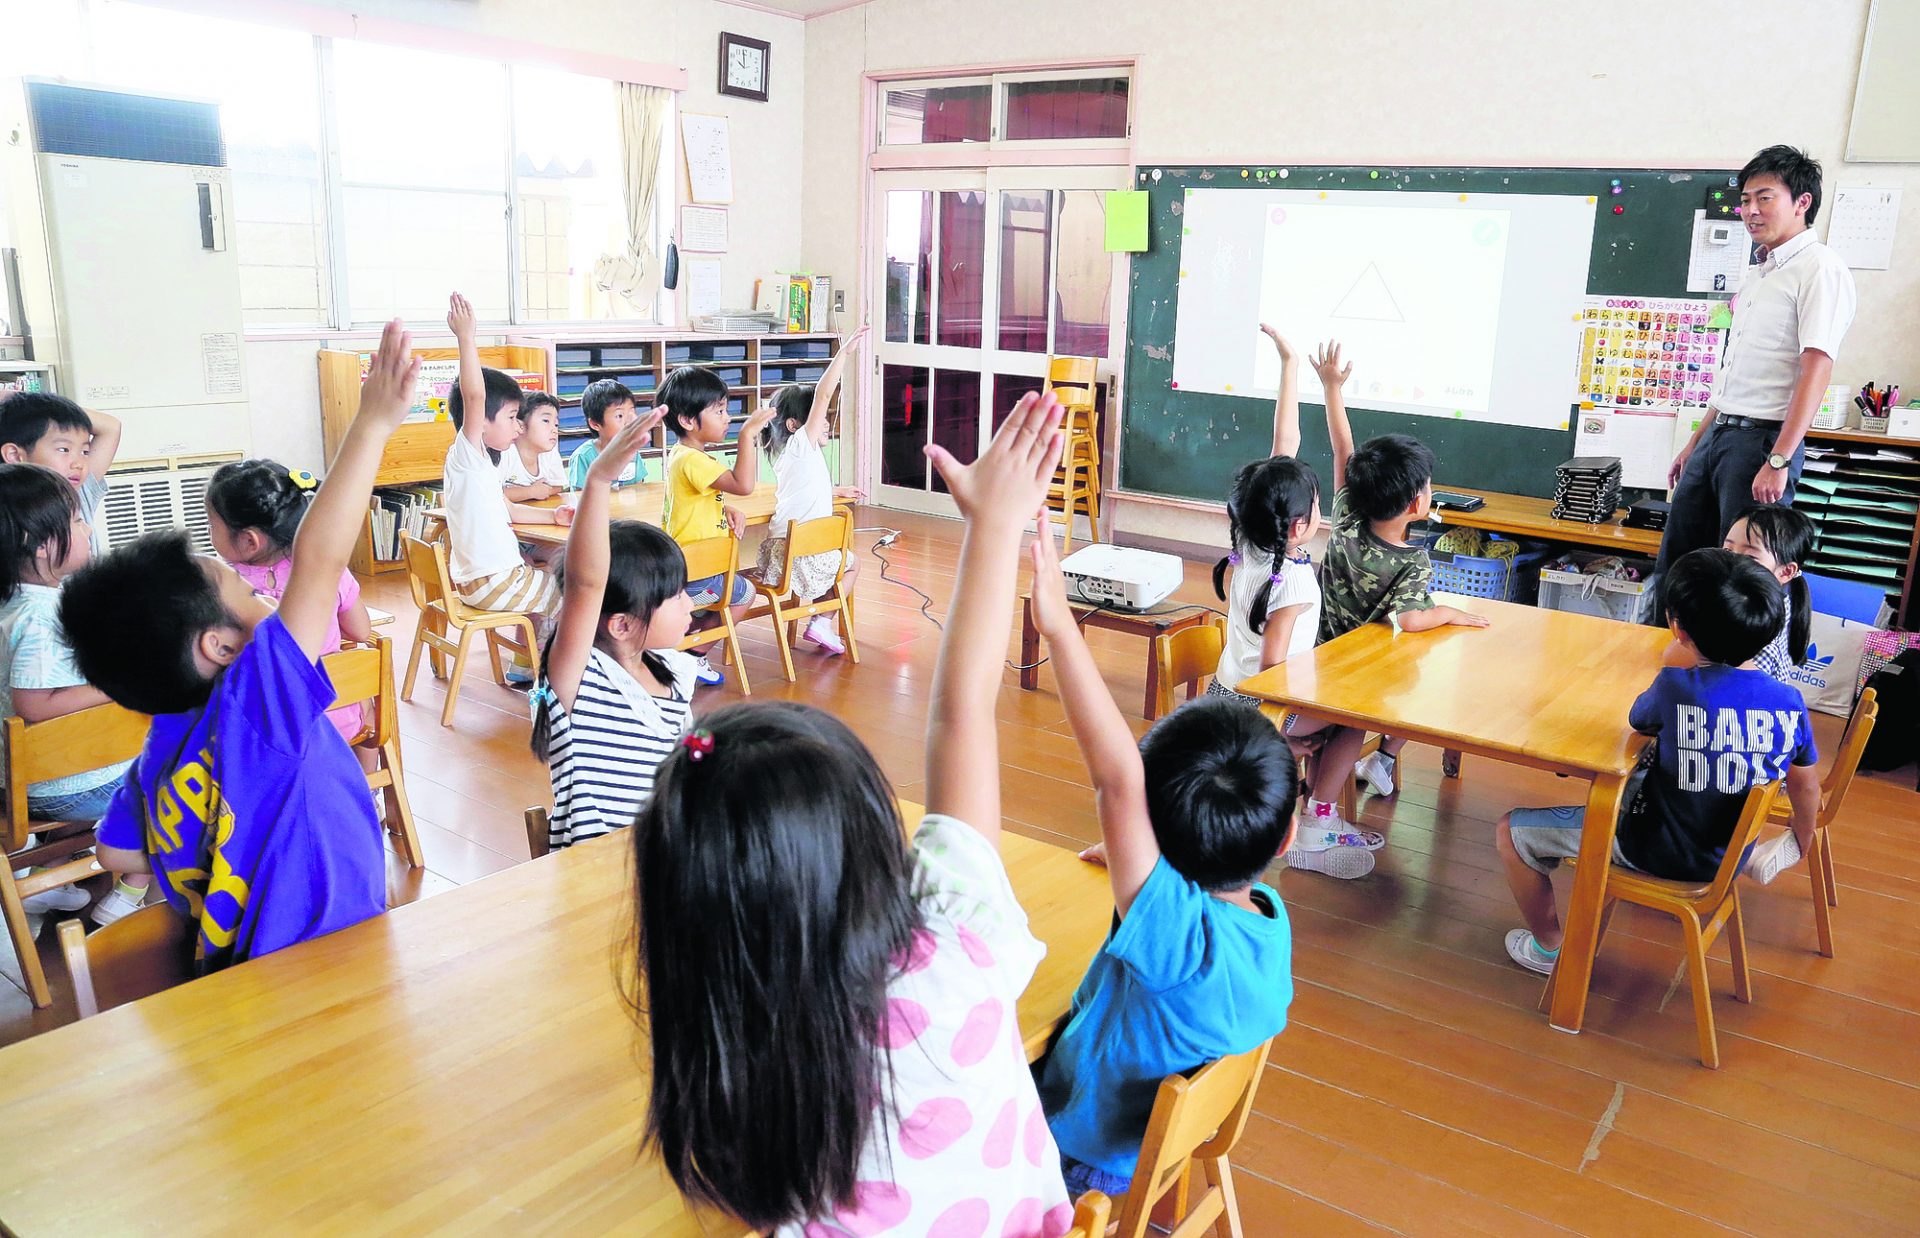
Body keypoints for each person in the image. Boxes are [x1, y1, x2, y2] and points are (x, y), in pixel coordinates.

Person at [629, 391, 1073, 1235]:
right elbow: (962, 718)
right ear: (874, 839)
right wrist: (995, 529)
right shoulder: (962, 947)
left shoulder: (739, 1087)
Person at [56, 320, 423, 969]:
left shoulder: (159, 752)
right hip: (329, 961)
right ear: (216, 646)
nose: (247, 591)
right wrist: (370, 425)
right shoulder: (261, 701)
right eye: (227, 585)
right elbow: (317, 560)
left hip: (230, 978)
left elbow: (115, 855)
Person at [1029, 506, 1293, 1201]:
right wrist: (1139, 870)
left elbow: (1118, 780)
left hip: (1079, 1153)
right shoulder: (1268, 920)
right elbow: (1135, 812)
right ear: (1286, 837)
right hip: (1161, 1135)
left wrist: (1058, 621)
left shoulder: (1179, 942)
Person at [1496, 549, 1822, 974]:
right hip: (1729, 855)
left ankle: (1551, 947)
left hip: (1653, 847)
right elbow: (1806, 784)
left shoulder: (1676, 686)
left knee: (1511, 832)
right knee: (1638, 778)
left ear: (1676, 627)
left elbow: (1638, 719)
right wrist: (1802, 836)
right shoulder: (1789, 701)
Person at [1280, 342, 1488, 877]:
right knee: (1359, 721)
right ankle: (1319, 818)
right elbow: (1413, 619)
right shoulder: (1412, 562)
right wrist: (1454, 615)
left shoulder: (1348, 517)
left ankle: (1310, 765)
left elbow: (1341, 447)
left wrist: (1331, 387)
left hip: (1315, 660)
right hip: (1347, 681)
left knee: (1353, 716)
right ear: (1418, 504)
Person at [1653, 146, 1856, 619]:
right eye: (1745, 200)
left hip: (1763, 440)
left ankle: (1729, 671)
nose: (1750, 211)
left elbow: (1817, 366)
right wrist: (1696, 442)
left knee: (1739, 574)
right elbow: (1735, 373)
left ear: (1802, 202)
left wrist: (1780, 457)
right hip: (1721, 432)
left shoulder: (1820, 268)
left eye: (1764, 198)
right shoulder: (1759, 272)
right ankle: (1664, 655)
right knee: (1679, 559)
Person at [530, 409, 701, 851]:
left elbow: (690, 760)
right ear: (621, 624)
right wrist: (599, 481)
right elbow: (587, 583)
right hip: (598, 873)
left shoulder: (673, 672)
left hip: (667, 860)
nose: (692, 603)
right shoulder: (580, 678)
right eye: (676, 595)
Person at [0, 464, 136, 927]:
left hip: (19, 780)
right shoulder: (40, 615)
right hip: (62, 787)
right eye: (78, 521)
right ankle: (130, 892)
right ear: (41, 545)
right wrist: (112, 687)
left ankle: (51, 874)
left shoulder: (15, 602)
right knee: (178, 769)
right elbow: (34, 704)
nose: (87, 528)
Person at [206, 459, 375, 750]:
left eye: (211, 524)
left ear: (249, 541)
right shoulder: (327, 568)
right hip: (338, 723)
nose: (209, 531)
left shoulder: (221, 584)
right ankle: (366, 787)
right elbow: (361, 632)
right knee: (367, 693)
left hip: (267, 735)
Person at [1209, 324, 1322, 702]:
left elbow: (1284, 446)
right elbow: (1271, 671)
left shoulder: (1252, 538)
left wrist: (1289, 365)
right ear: (1297, 524)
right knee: (1347, 720)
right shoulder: (1293, 581)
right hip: (1260, 710)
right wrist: (1281, 739)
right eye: (1316, 503)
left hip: (1224, 692)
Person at [444, 292, 567, 619]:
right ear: (481, 420)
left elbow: (508, 510)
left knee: (563, 579)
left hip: (486, 581)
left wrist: (554, 517)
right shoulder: (467, 454)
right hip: (496, 582)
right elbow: (474, 394)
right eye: (513, 417)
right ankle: (563, 665)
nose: (518, 427)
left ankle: (530, 659)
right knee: (585, 597)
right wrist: (466, 338)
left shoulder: (480, 464)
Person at [752, 326, 868, 656]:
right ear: (794, 425)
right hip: (801, 553)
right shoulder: (801, 444)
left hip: (782, 552)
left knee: (830, 559)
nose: (826, 422)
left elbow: (804, 490)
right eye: (819, 419)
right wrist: (843, 354)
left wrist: (834, 490)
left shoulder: (791, 455)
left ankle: (820, 621)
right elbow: (824, 394)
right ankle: (823, 620)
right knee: (852, 564)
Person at [659, 365, 776, 687]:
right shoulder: (693, 459)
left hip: (688, 569)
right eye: (719, 411)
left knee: (729, 590)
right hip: (694, 574)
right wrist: (747, 435)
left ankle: (684, 643)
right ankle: (693, 654)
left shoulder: (685, 455)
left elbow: (695, 501)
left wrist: (726, 508)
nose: (727, 417)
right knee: (744, 593)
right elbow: (744, 483)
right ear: (687, 420)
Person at [1665, 505, 1812, 684]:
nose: (1731, 562)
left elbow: (1673, 660)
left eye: (1750, 558)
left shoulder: (1753, 621)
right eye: (1727, 550)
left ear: (1786, 571)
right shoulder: (1778, 601)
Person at [0, 392, 123, 557]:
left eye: (85, 452)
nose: (78, 463)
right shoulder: (8, 510)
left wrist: (27, 400)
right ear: (15, 456)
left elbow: (111, 426)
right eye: (64, 449)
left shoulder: (78, 491)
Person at [564, 380, 642, 490]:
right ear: (595, 424)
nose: (629, 421)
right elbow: (579, 497)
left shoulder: (632, 450)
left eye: (631, 412)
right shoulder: (583, 456)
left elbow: (639, 490)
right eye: (619, 415)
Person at [499, 391, 568, 500]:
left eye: (556, 424)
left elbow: (558, 485)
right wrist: (530, 492)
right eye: (546, 421)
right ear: (520, 426)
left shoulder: (550, 453)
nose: (554, 430)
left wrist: (541, 491)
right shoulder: (505, 453)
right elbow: (492, 494)